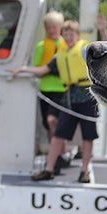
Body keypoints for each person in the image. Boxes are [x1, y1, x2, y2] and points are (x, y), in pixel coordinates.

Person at [12, 20, 97, 183]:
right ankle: (49, 169)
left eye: (71, 35)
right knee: (58, 133)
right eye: (65, 35)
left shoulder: (85, 50)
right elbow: (43, 70)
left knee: (88, 136)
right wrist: (23, 69)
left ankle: (84, 170)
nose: (69, 38)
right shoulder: (61, 53)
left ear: (78, 36)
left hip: (86, 96)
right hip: (69, 97)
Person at [32, 12, 66, 146]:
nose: (51, 30)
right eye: (48, 27)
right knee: (47, 123)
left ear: (60, 27)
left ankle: (60, 153)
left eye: (54, 27)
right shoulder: (41, 46)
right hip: (45, 88)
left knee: (54, 121)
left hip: (61, 88)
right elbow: (37, 67)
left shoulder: (66, 45)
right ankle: (56, 153)